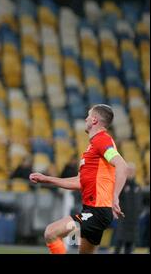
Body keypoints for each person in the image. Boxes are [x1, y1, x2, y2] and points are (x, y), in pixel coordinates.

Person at [29, 104, 129, 254]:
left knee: (51, 232)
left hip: (97, 210)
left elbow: (122, 165)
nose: (86, 118)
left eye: (88, 115)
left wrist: (115, 196)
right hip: (93, 210)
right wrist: (47, 179)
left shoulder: (102, 140)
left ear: (94, 120)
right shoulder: (94, 147)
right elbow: (79, 181)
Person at [114, 163, 142, 254]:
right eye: (128, 170)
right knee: (119, 242)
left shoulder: (137, 187)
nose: (130, 172)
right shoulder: (120, 185)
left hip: (133, 220)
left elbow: (140, 202)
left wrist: (139, 211)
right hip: (123, 219)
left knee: (129, 245)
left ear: (134, 172)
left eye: (132, 170)